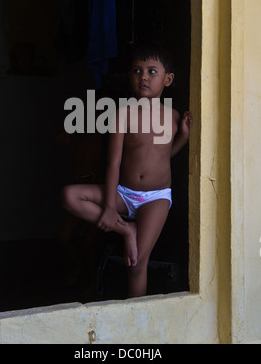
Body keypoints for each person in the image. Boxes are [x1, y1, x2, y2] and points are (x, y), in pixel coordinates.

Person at [62, 46, 192, 298]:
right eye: (137, 71)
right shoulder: (122, 114)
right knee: (69, 195)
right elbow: (113, 163)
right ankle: (126, 229)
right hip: (122, 193)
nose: (143, 77)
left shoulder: (174, 117)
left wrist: (183, 137)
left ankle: (138, 323)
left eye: (152, 71)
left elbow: (166, 155)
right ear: (130, 77)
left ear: (168, 79)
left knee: (136, 264)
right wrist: (110, 207)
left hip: (155, 198)